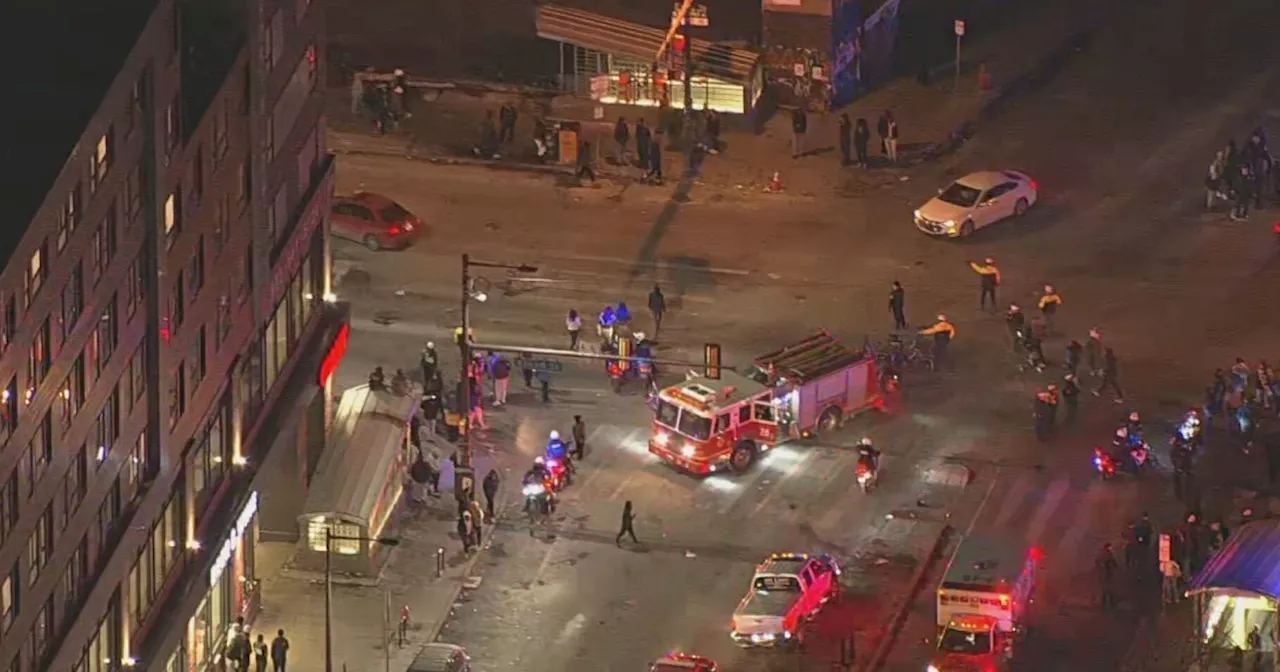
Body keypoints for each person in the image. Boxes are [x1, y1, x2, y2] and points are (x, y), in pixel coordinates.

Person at [1096, 543, 1119, 611]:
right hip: (1105, 574)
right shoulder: (1103, 554)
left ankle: (1110, 604)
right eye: (1109, 547)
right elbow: (1098, 562)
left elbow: (1114, 563)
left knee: (1110, 589)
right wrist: (1102, 566)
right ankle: (1105, 604)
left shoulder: (1110, 554)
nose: (1110, 548)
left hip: (1110, 574)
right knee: (1105, 590)